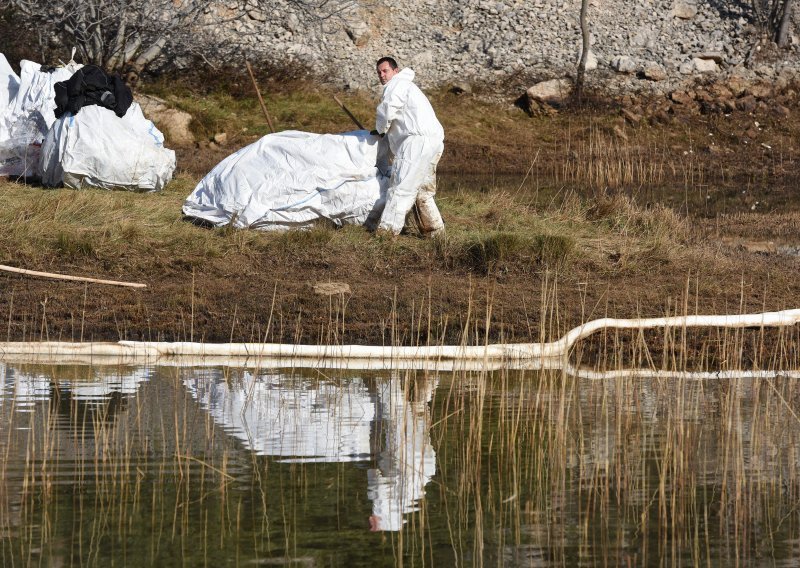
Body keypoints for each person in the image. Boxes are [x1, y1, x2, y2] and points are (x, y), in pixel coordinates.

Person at [372, 57, 445, 238]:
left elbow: (388, 109)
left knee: (400, 188)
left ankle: (386, 235)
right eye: (379, 72)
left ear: (395, 71)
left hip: (416, 142)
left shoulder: (396, 84)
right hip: (434, 142)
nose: (381, 75)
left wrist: (380, 130)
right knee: (423, 192)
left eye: (385, 71)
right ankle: (436, 233)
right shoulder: (409, 87)